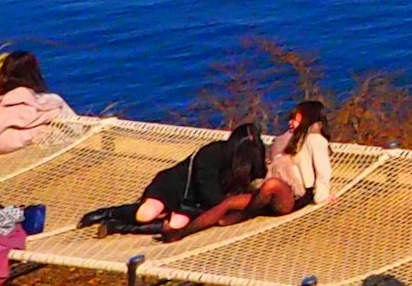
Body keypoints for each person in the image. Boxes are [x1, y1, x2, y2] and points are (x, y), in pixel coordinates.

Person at [131, 122, 272, 239]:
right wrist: (226, 208)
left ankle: (163, 220)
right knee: (145, 214)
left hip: (197, 202)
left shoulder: (253, 159)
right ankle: (111, 218)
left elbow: (258, 179)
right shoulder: (212, 153)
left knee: (176, 224)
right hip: (175, 187)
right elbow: (207, 189)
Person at [0, 51, 76, 155]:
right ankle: (80, 129)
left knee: (51, 100)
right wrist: (53, 110)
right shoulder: (19, 93)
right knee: (55, 107)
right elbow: (29, 118)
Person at [260, 99, 334, 215]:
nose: (290, 122)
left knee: (269, 187)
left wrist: (322, 196)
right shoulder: (297, 139)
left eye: (295, 119)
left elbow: (323, 171)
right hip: (289, 191)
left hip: (299, 195)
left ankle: (248, 212)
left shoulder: (315, 139)